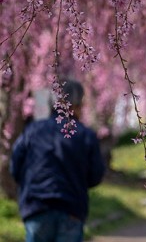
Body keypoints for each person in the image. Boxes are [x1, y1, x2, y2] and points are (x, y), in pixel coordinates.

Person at [11, 78, 106, 242]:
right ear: (76, 105)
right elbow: (95, 176)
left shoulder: (33, 130)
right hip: (71, 207)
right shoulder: (86, 135)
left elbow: (15, 167)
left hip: (36, 206)